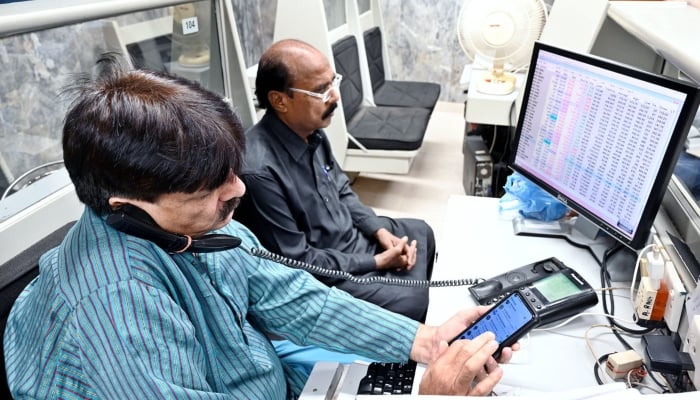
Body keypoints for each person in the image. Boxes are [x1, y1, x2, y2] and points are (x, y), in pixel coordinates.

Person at [2, 53, 515, 399]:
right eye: (209, 188)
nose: (239, 190)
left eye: (230, 168)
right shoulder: (115, 306)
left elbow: (301, 302)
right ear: (128, 204)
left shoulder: (200, 232)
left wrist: (425, 342)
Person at [236, 39, 435, 322]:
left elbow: (342, 189)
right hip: (324, 274)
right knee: (414, 301)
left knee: (422, 232)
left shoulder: (312, 132)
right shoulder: (259, 173)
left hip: (351, 241)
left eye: (333, 83)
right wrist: (376, 262)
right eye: (320, 90)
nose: (335, 96)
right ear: (279, 100)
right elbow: (299, 261)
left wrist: (377, 230)